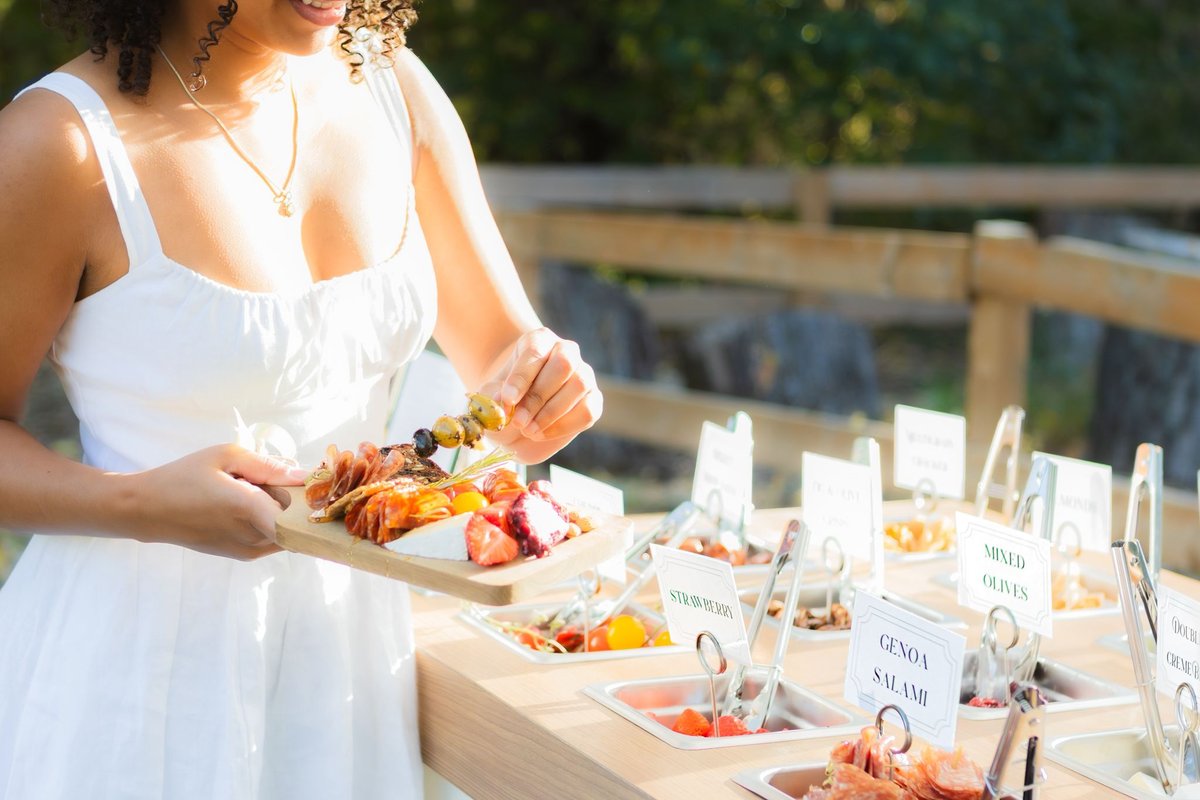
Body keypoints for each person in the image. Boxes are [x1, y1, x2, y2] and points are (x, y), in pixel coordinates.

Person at [0, 1, 602, 797]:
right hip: (129, 688)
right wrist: (141, 503)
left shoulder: (396, 92)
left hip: (350, 668)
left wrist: (545, 388)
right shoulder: (58, 141)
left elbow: (503, 352)